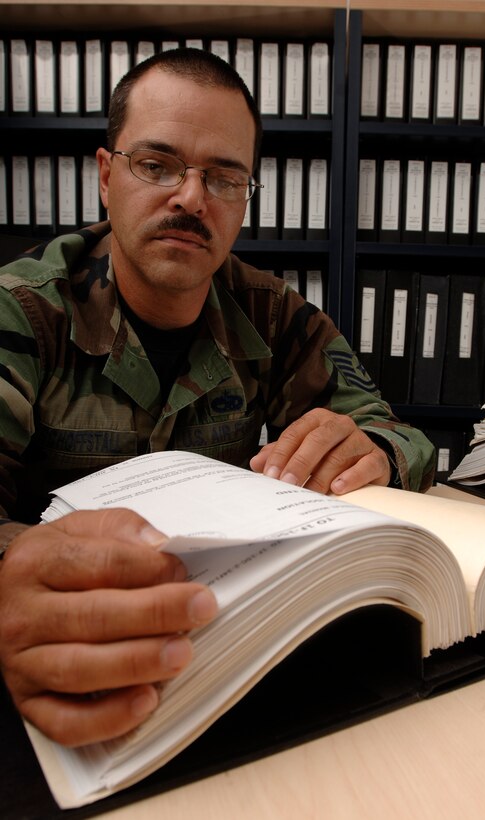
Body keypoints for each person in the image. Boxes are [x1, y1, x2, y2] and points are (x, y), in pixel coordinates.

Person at [0, 48, 435, 748]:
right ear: (107, 177)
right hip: (60, 671)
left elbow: (398, 434)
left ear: (244, 199)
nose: (191, 199)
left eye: (224, 178)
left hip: (231, 647)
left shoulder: (268, 313)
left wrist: (374, 451)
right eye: (156, 164)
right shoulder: (23, 314)